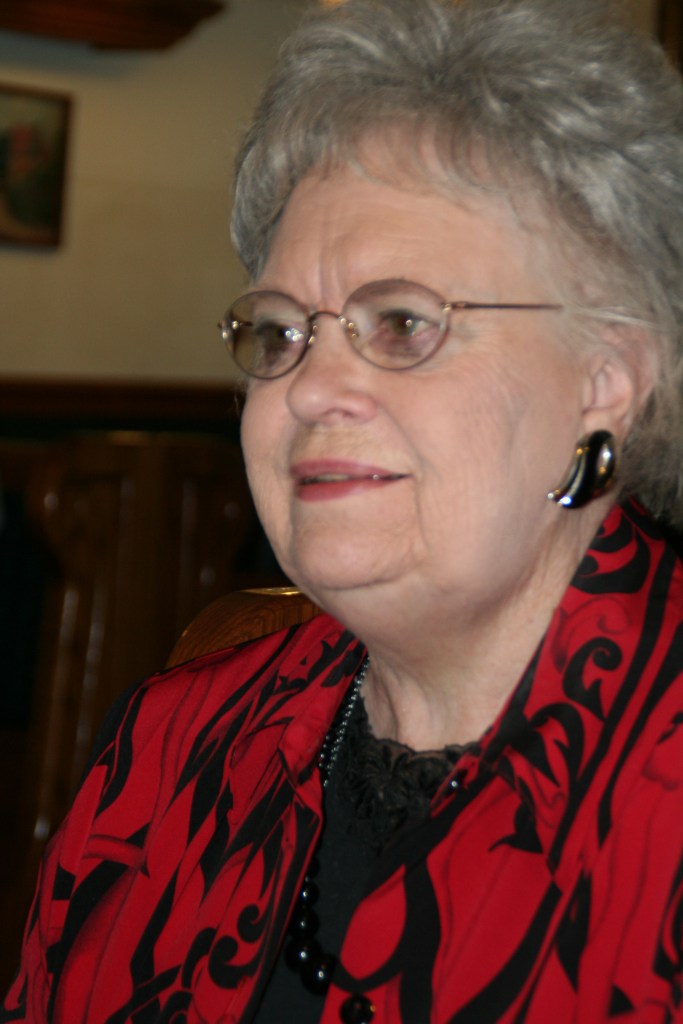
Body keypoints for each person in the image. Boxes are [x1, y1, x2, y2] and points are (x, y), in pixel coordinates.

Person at [3, 0, 683, 1020]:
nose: (309, 388)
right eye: (281, 332)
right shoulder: (173, 741)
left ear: (606, 379)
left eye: (401, 322)